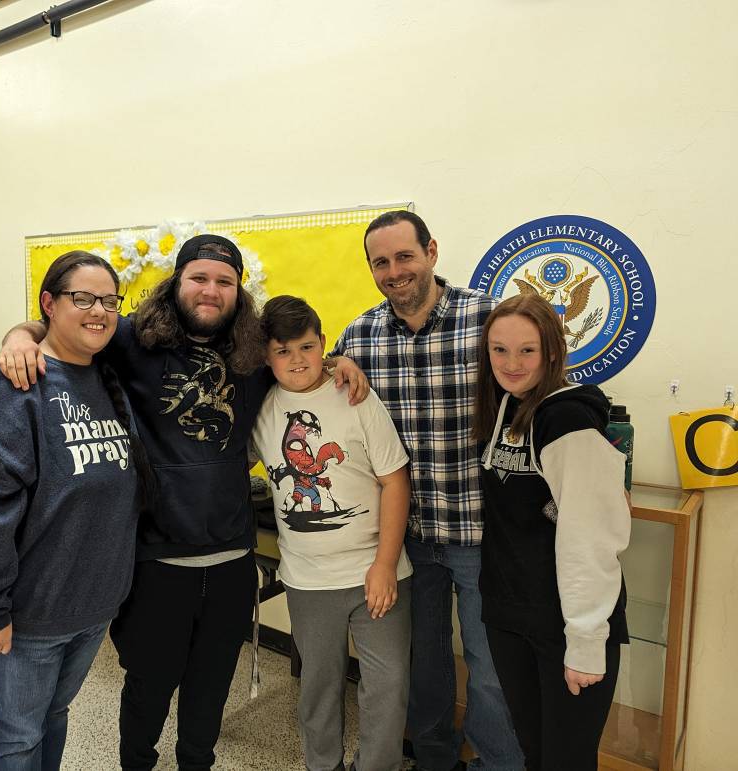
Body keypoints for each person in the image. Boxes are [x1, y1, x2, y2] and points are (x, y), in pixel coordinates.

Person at [0, 235, 368, 771]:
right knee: (148, 690)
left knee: (210, 690)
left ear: (238, 292)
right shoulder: (133, 340)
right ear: (177, 283)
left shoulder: (253, 353)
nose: (211, 290)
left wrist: (339, 363)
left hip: (231, 562)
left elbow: (303, 358)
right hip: (156, 563)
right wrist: (18, 335)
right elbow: (69, 325)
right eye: (200, 278)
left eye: (224, 281)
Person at [0, 250, 149, 769]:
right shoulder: (11, 388)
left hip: (91, 606)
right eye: (82, 298)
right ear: (49, 305)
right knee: (18, 736)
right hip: (29, 615)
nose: (98, 311)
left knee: (54, 716)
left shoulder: (106, 378)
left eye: (108, 300)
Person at [332, 211, 524, 771]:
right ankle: (436, 761)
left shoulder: (488, 317)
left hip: (484, 533)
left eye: (404, 256)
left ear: (432, 251)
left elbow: (543, 386)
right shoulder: (360, 335)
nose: (394, 272)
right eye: (381, 262)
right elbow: (308, 381)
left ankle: (498, 764)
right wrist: (332, 361)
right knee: (424, 667)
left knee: (491, 669)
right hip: (407, 541)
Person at [249, 295, 413, 771]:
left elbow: (394, 479)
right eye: (283, 351)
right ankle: (323, 765)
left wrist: (384, 564)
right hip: (308, 579)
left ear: (323, 344)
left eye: (306, 348)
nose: (297, 361)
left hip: (376, 573)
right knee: (318, 686)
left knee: (387, 684)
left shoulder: (356, 397)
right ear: (267, 355)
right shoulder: (263, 408)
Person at [474, 293, 630, 771]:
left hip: (566, 625)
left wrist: (584, 641)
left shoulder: (568, 419)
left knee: (566, 759)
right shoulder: (505, 406)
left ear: (552, 351)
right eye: (499, 350)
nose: (511, 363)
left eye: (527, 350)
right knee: (536, 752)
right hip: (510, 615)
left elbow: (590, 538)